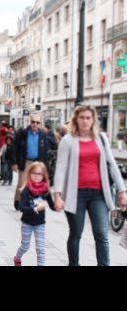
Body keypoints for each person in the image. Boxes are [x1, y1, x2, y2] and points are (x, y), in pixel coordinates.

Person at [53, 105, 127, 266]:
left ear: (93, 120)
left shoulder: (100, 138)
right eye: (82, 118)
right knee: (76, 234)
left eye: (88, 118)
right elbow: (60, 167)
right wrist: (57, 195)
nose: (85, 121)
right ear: (76, 119)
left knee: (101, 234)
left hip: (98, 194)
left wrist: (122, 190)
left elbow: (112, 164)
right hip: (76, 194)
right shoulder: (68, 140)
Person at [13, 162, 55, 266]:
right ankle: (17, 258)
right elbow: (22, 207)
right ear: (29, 174)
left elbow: (52, 206)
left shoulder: (45, 190)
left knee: (40, 249)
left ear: (44, 175)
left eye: (39, 174)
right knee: (25, 246)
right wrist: (35, 209)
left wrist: (60, 204)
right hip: (27, 223)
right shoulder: (26, 190)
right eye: (34, 173)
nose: (36, 176)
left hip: (40, 223)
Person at [12, 113, 54, 211]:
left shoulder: (43, 135)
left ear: (40, 124)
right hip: (25, 161)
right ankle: (18, 201)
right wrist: (14, 162)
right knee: (22, 183)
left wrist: (45, 166)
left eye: (37, 122)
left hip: (38, 162)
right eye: (33, 122)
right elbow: (15, 147)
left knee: (36, 183)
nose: (35, 124)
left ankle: (31, 202)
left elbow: (47, 149)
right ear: (30, 122)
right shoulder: (22, 133)